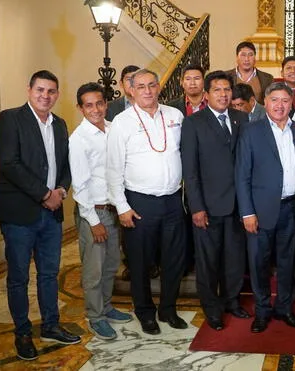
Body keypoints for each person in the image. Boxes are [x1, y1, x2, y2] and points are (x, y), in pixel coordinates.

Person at [0, 70, 80, 360]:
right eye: (40, 90)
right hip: (20, 214)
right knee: (18, 277)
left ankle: (51, 325)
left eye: (51, 91)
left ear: (57, 94)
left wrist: (61, 191)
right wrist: (45, 194)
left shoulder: (60, 124)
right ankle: (22, 332)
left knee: (49, 274)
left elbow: (67, 163)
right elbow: (9, 164)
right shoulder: (10, 118)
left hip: (51, 215)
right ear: (29, 89)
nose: (46, 96)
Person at [106, 68, 188, 335]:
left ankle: (168, 309)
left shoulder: (175, 115)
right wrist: (122, 207)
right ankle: (145, 312)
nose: (148, 91)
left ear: (159, 87)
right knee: (140, 262)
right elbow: (113, 168)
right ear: (131, 89)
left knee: (173, 260)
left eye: (152, 85)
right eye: (141, 86)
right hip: (139, 202)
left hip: (173, 200)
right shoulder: (122, 121)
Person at [235, 82, 295, 333]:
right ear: (265, 102)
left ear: (292, 104)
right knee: (259, 263)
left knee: (288, 262)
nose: (280, 105)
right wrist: (247, 212)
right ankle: (263, 311)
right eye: (275, 100)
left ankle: (285, 308)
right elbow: (242, 175)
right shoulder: (251, 131)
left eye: (285, 101)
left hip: (291, 209)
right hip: (259, 210)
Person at [181, 71, 250, 331]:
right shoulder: (194, 122)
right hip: (207, 207)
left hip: (238, 205)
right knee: (208, 262)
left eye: (227, 90)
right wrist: (196, 207)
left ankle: (232, 302)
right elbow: (190, 170)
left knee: (234, 260)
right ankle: (212, 309)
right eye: (218, 90)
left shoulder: (242, 118)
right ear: (207, 94)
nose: (223, 94)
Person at [69, 83, 133, 341]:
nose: (95, 109)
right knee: (93, 271)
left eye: (99, 103)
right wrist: (93, 221)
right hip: (93, 212)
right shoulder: (78, 139)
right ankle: (95, 317)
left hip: (113, 208)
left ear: (106, 104)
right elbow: (80, 185)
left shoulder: (112, 129)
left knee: (110, 266)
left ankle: (107, 307)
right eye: (89, 105)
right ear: (80, 108)